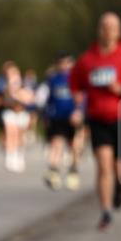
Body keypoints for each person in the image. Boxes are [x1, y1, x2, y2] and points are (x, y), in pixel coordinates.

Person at [70, 12, 121, 230]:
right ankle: (105, 211)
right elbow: (75, 82)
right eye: (105, 26)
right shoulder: (87, 60)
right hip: (98, 120)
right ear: (99, 29)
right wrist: (77, 98)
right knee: (103, 166)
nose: (108, 30)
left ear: (119, 31)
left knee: (119, 168)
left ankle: (120, 188)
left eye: (113, 27)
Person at [36, 53, 81, 191]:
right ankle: (53, 171)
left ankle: (73, 171)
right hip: (57, 117)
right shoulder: (52, 79)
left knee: (73, 145)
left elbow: (82, 97)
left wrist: (79, 111)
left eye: (66, 63)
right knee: (56, 144)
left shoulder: (76, 79)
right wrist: (45, 117)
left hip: (72, 117)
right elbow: (47, 100)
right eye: (61, 63)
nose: (64, 66)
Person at [0, 61, 35, 173]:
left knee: (20, 135)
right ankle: (10, 157)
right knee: (10, 133)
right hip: (10, 112)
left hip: (22, 113)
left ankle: (19, 155)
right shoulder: (3, 85)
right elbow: (5, 100)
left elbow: (30, 99)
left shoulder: (24, 84)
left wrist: (20, 96)